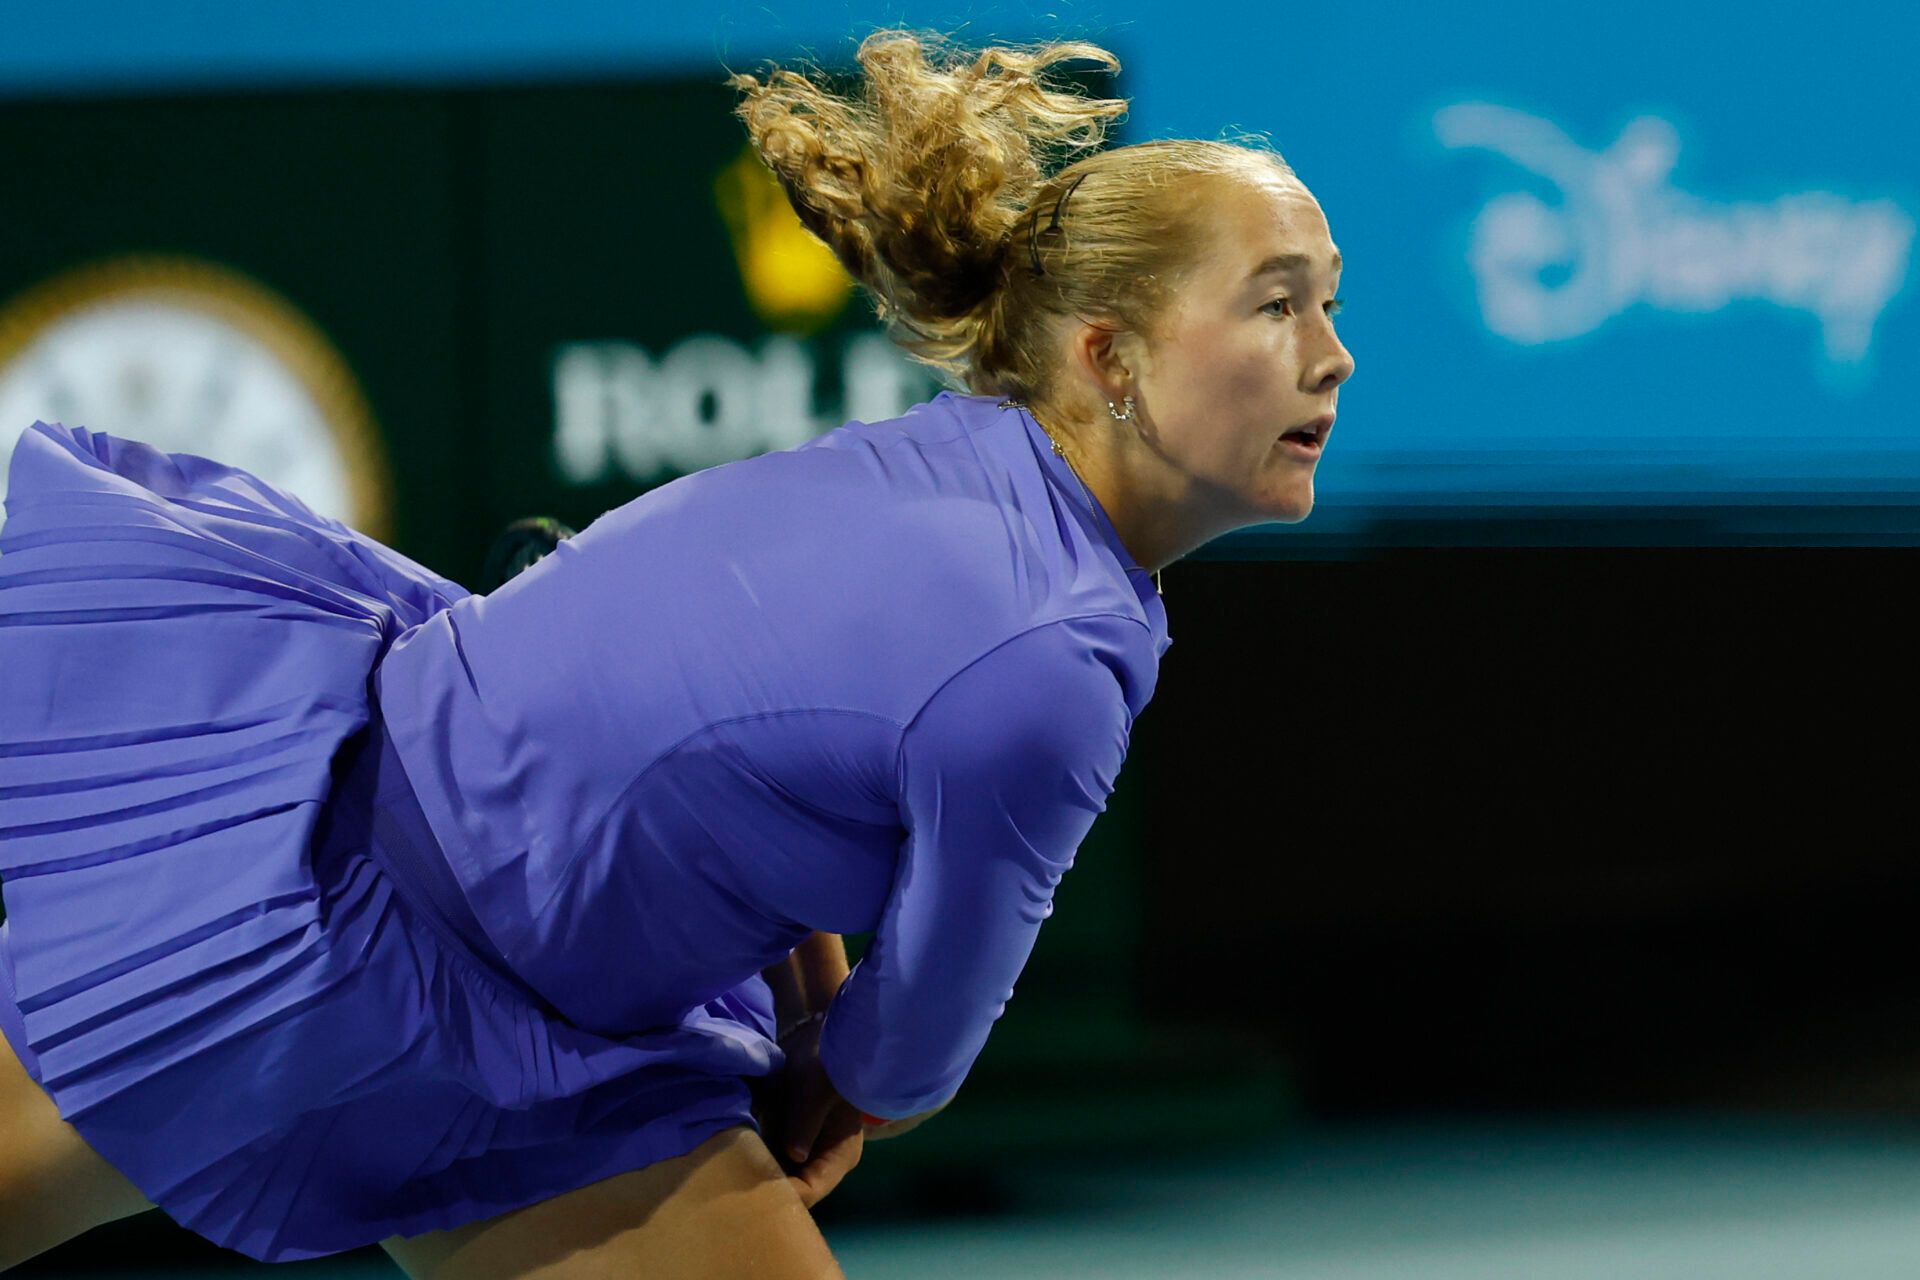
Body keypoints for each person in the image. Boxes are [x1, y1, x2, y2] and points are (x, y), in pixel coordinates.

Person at [0, 25, 1352, 1279]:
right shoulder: (1052, 661)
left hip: (559, 1009)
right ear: (1112, 356)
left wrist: (817, 1007)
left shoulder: (953, 459)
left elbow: (733, 738)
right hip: (351, 940)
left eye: (1328, 303)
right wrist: (843, 1070)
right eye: (1277, 306)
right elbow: (910, 1045)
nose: (1332, 357)